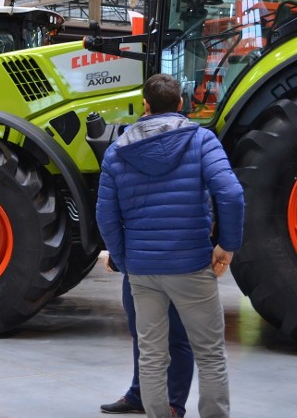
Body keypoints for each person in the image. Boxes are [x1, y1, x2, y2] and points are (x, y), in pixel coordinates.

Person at [96, 74, 244, 418]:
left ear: (145, 105)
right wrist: (227, 246)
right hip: (191, 265)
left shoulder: (117, 151)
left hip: (143, 272)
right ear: (181, 105)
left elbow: (105, 216)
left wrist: (125, 260)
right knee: (209, 353)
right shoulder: (202, 140)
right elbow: (232, 193)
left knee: (150, 354)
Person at [101, 255, 193, 417]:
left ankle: (174, 404)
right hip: (137, 262)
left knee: (177, 336)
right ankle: (140, 395)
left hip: (178, 262)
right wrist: (118, 256)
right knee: (141, 332)